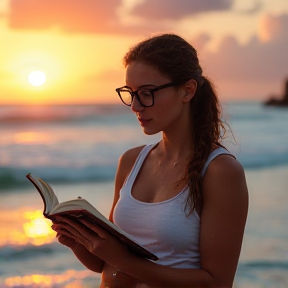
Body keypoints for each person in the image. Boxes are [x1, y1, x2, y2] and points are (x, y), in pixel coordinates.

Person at [52, 33, 249, 288]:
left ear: (187, 90)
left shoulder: (220, 172)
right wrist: (79, 241)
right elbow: (106, 263)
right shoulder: (132, 161)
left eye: (147, 93)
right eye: (130, 93)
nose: (135, 106)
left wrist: (124, 262)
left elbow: (217, 283)